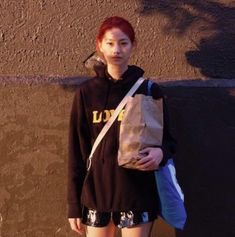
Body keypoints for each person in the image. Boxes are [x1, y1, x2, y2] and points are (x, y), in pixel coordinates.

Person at [67, 16, 176, 237]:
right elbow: (76, 151)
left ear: (133, 46)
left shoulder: (148, 90)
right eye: (110, 43)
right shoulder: (87, 93)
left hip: (137, 193)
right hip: (97, 193)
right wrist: (73, 205)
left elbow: (169, 141)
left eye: (123, 43)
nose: (116, 49)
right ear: (99, 45)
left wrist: (160, 153)